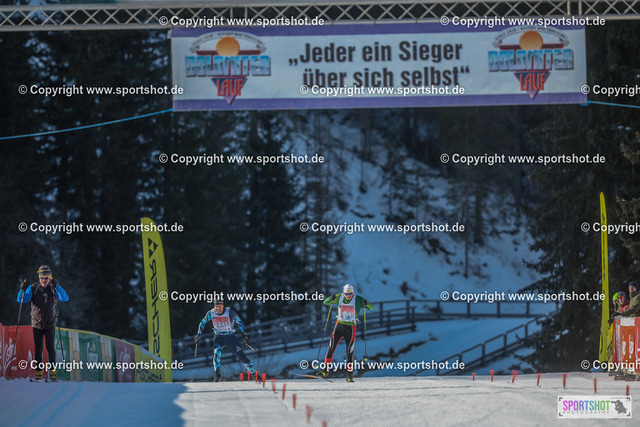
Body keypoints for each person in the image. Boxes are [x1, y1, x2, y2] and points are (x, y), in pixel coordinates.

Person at [16, 265, 69, 381]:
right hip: (37, 324)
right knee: (38, 349)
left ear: (50, 278)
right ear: (39, 277)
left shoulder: (53, 289)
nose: (44, 280)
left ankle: (53, 374)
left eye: (46, 278)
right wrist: (22, 290)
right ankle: (38, 374)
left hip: (50, 323)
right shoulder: (33, 288)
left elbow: (65, 298)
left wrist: (58, 286)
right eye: (42, 278)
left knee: (50, 348)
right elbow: (21, 300)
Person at [317, 284, 373, 382]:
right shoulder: (339, 297)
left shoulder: (358, 299)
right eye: (346, 294)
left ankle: (349, 374)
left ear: (353, 293)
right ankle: (325, 370)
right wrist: (330, 298)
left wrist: (366, 303)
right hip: (339, 326)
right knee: (331, 347)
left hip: (350, 328)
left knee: (349, 351)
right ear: (344, 293)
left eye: (350, 294)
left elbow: (371, 307)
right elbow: (325, 302)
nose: (348, 296)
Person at [194, 300, 255, 382]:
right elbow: (202, 322)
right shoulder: (211, 313)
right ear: (214, 307)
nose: (218, 309)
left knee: (241, 355)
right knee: (217, 353)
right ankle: (217, 374)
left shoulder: (229, 312)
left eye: (220, 307)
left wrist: (243, 334)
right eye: (216, 307)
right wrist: (198, 334)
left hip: (230, 337)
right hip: (219, 337)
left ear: (223, 306)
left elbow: (239, 321)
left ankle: (253, 373)